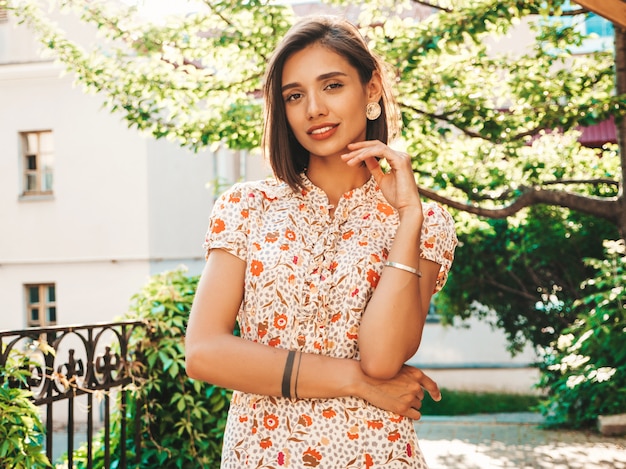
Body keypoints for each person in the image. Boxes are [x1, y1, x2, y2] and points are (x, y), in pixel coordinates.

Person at [185, 15, 458, 468]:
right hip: (259, 456)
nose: (313, 108)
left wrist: (408, 217)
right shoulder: (246, 207)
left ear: (371, 90)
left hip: (376, 454)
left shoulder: (425, 222)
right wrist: (355, 381)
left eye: (332, 85)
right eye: (295, 95)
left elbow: (383, 359)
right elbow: (204, 353)